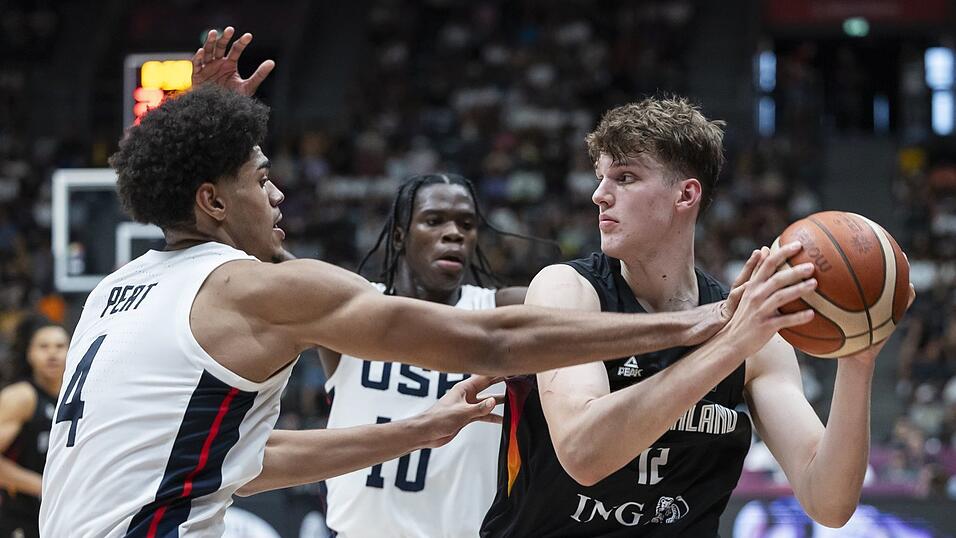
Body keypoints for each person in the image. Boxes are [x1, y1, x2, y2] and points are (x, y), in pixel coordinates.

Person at [38, 31, 812, 537]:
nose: (279, 194)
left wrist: (416, 430)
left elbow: (245, 461)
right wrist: (700, 325)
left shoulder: (116, 291)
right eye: (259, 177)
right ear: (211, 200)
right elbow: (492, 343)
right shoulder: (258, 291)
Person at [480, 97, 916, 537]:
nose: (599, 195)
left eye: (625, 177)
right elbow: (583, 453)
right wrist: (730, 345)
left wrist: (858, 359)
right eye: (601, 178)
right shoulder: (567, 290)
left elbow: (830, 503)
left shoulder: (756, 336)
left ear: (686, 194)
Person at [320, 173, 527, 537]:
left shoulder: (500, 313)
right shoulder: (351, 310)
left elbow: (585, 302)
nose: (454, 234)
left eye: (466, 224)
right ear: (400, 235)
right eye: (434, 221)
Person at [0, 316, 68, 538]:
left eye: (60, 346)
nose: (52, 353)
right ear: (29, 353)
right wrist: (42, 485)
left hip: (61, 516)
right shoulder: (22, 396)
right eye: (43, 346)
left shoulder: (75, 395)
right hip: (21, 516)